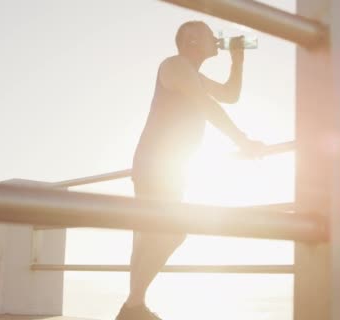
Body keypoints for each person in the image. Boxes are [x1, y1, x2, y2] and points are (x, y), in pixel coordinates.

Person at [115, 21, 263, 320]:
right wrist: (242, 139)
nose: (216, 39)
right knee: (172, 230)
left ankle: (135, 308)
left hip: (167, 163)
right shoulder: (175, 66)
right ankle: (132, 306)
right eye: (210, 34)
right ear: (191, 40)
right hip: (158, 163)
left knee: (149, 235)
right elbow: (208, 106)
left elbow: (230, 95)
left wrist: (238, 61)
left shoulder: (192, 73)